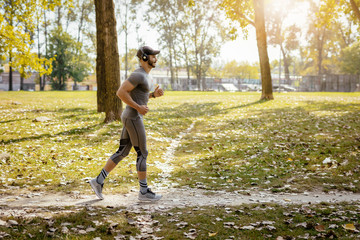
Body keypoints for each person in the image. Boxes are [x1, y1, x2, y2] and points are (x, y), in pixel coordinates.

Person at [90, 46, 164, 201]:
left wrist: (153, 95)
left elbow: (139, 95)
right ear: (144, 57)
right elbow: (121, 92)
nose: (155, 59)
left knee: (123, 151)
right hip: (133, 117)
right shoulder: (138, 75)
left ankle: (98, 181)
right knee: (142, 153)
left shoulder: (146, 76)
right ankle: (143, 192)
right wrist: (138, 108)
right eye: (153, 56)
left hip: (131, 116)